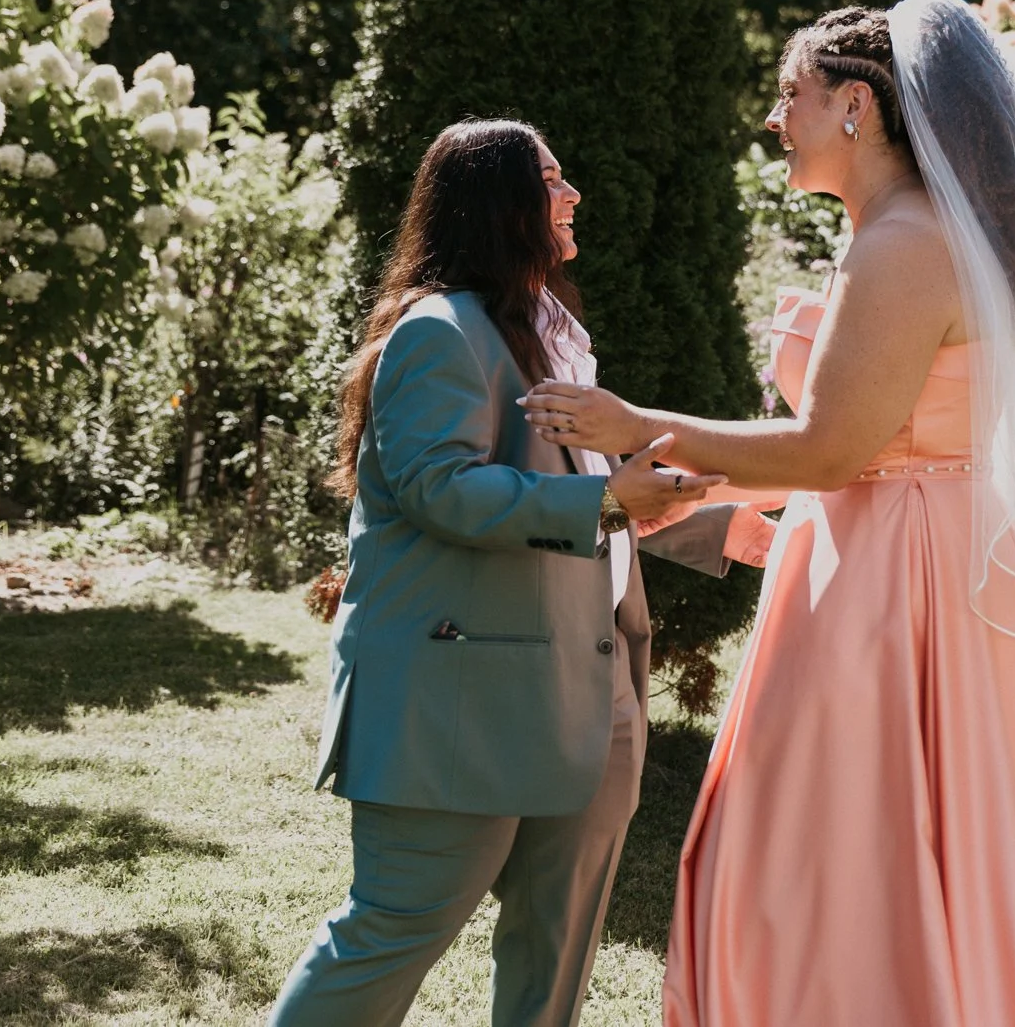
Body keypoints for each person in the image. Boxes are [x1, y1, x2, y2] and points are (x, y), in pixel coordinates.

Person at [521, 0, 1015, 1026]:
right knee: (881, 845)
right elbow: (871, 448)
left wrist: (630, 422)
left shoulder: (905, 244)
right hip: (902, 547)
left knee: (826, 848)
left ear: (855, 108)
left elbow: (833, 452)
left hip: (898, 589)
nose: (772, 119)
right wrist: (693, 494)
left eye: (787, 94)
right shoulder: (906, 233)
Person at [270, 117, 765, 1027]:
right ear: (498, 203)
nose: (571, 194)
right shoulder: (440, 332)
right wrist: (614, 500)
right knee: (391, 930)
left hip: (592, 690)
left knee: (558, 947)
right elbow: (440, 488)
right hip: (457, 698)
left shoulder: (543, 333)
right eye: (550, 178)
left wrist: (720, 527)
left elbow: (574, 488)